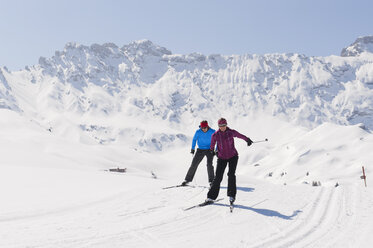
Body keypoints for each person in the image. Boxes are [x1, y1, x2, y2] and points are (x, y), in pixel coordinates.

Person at [205, 118, 253, 204]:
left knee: (231, 174)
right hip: (221, 158)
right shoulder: (215, 135)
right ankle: (211, 197)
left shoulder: (231, 132)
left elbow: (240, 135)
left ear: (226, 125)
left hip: (233, 157)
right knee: (218, 177)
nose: (222, 127)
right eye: (220, 126)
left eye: (224, 125)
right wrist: (212, 151)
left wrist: (247, 140)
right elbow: (212, 144)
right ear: (218, 126)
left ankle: (231, 195)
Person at [181, 120, 216, 186]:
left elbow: (217, 140)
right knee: (194, 164)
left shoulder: (213, 131)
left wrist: (215, 150)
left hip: (210, 150)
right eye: (202, 128)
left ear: (207, 126)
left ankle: (211, 181)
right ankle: (187, 180)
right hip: (200, 150)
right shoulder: (198, 132)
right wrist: (192, 148)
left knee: (209, 165)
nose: (203, 129)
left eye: (205, 128)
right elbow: (194, 140)